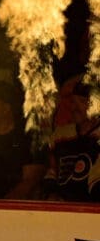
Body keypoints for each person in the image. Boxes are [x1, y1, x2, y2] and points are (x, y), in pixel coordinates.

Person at [43, 73, 100, 202]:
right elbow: (51, 172)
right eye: (73, 102)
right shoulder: (60, 135)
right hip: (62, 208)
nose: (75, 108)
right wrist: (51, 193)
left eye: (81, 102)